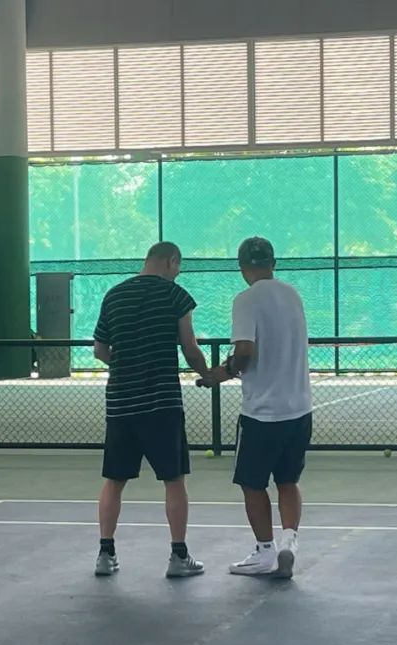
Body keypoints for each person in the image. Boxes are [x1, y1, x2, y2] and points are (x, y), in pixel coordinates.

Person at [92, 241, 208, 578]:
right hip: (162, 404)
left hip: (121, 403)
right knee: (174, 479)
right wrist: (208, 375)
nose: (177, 273)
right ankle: (178, 556)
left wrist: (125, 365)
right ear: (172, 261)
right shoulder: (175, 296)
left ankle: (105, 554)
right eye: (178, 267)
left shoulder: (114, 295)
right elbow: (190, 347)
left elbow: (99, 349)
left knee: (114, 480)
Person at [204, 237, 312, 578]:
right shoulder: (292, 295)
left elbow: (245, 350)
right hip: (300, 408)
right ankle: (289, 540)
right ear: (273, 263)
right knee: (288, 481)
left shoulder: (246, 300)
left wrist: (222, 373)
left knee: (252, 483)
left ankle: (266, 551)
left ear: (241, 266)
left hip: (262, 413)